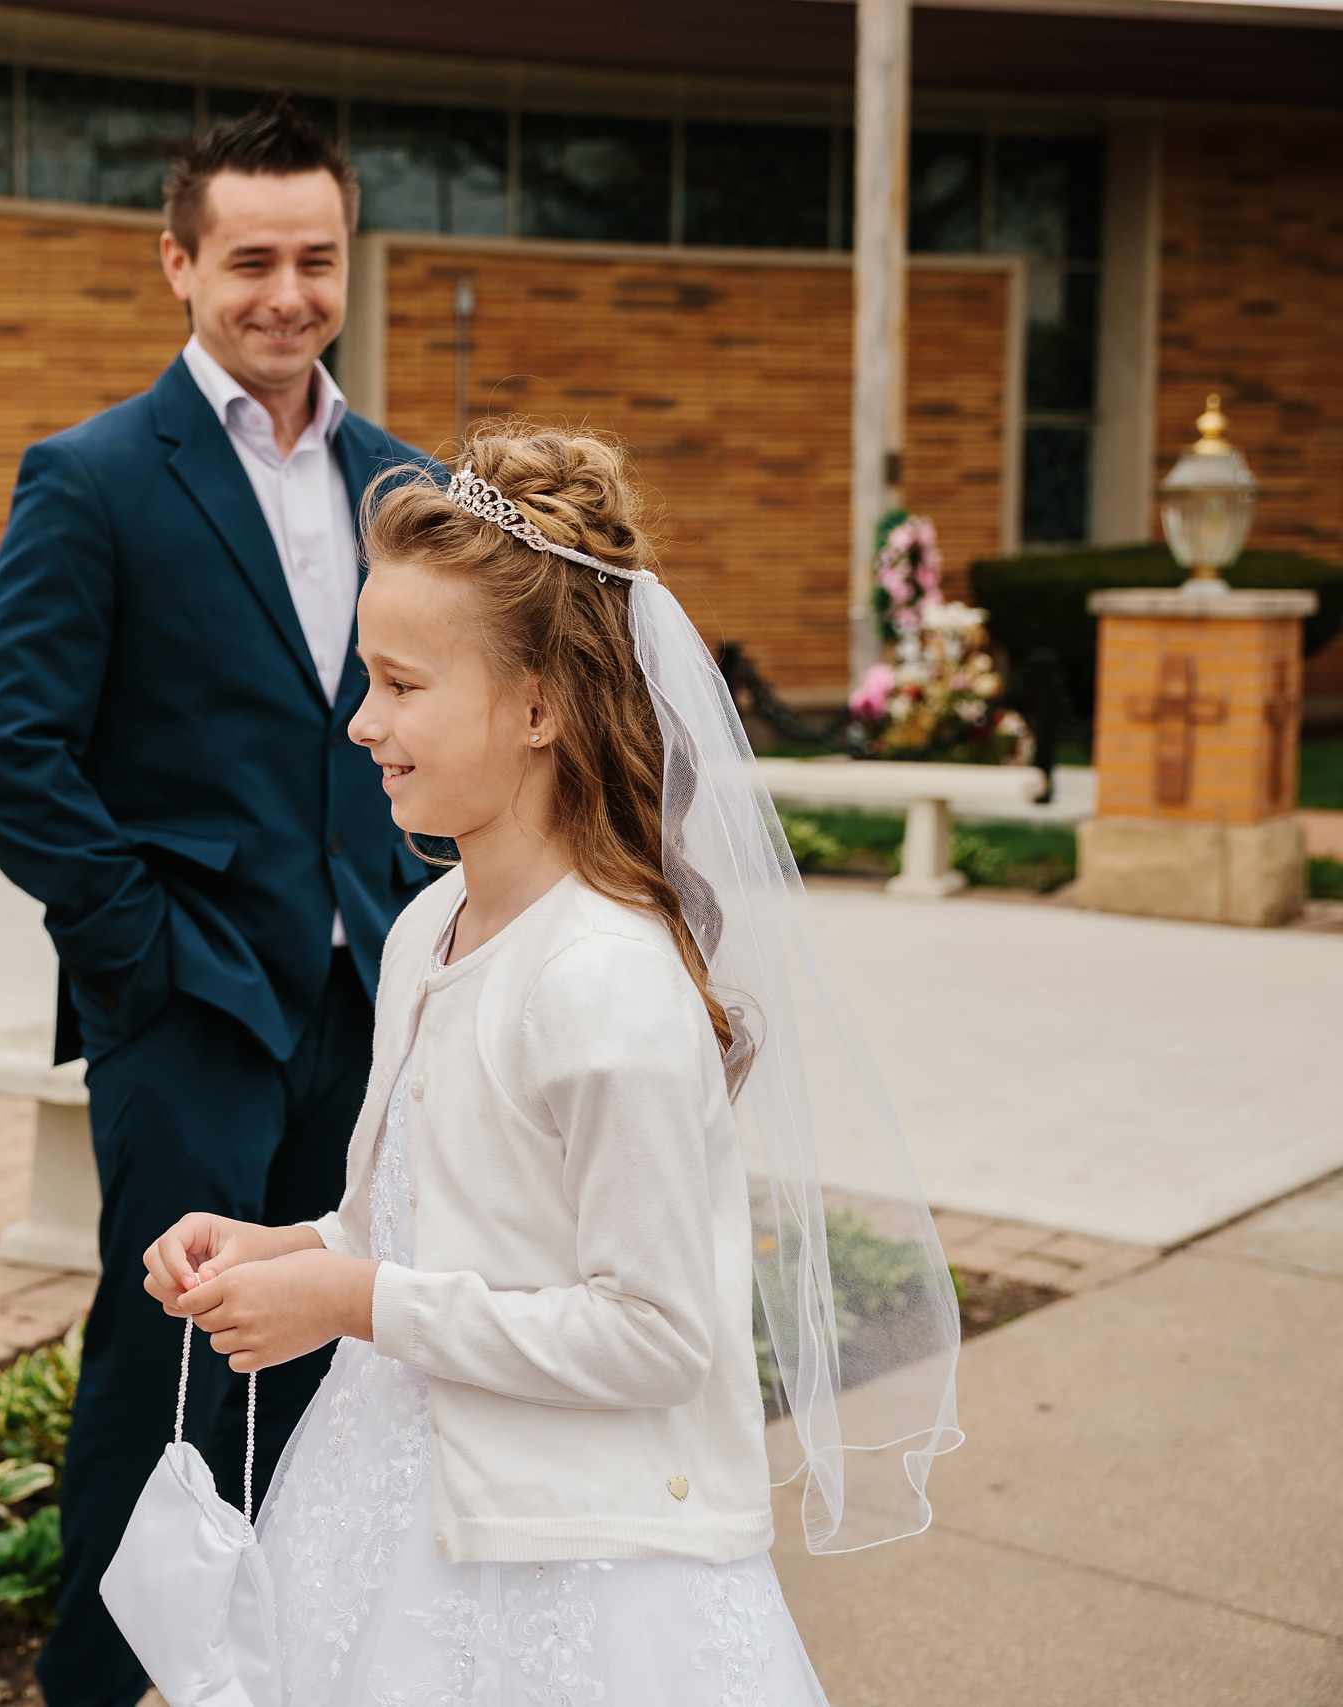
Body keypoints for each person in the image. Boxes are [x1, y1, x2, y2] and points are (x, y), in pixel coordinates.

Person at [143, 425, 962, 1703]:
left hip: (572, 1564)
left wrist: (351, 1303)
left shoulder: (606, 987)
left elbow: (654, 1336)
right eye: (367, 679)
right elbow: (402, 1223)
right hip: (393, 1494)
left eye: (402, 685)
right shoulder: (426, 928)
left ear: (539, 704)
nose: (362, 723)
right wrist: (279, 1251)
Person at [0, 97, 434, 1707]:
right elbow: (8, 752)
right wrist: (139, 955)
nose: (285, 292)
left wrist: (421, 922)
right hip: (190, 1007)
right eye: (249, 259)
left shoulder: (403, 483)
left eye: (316, 258)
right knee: (164, 1363)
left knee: (334, 1356)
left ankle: (284, 1662)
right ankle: (100, 1679)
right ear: (179, 262)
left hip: (371, 1004)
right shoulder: (93, 475)